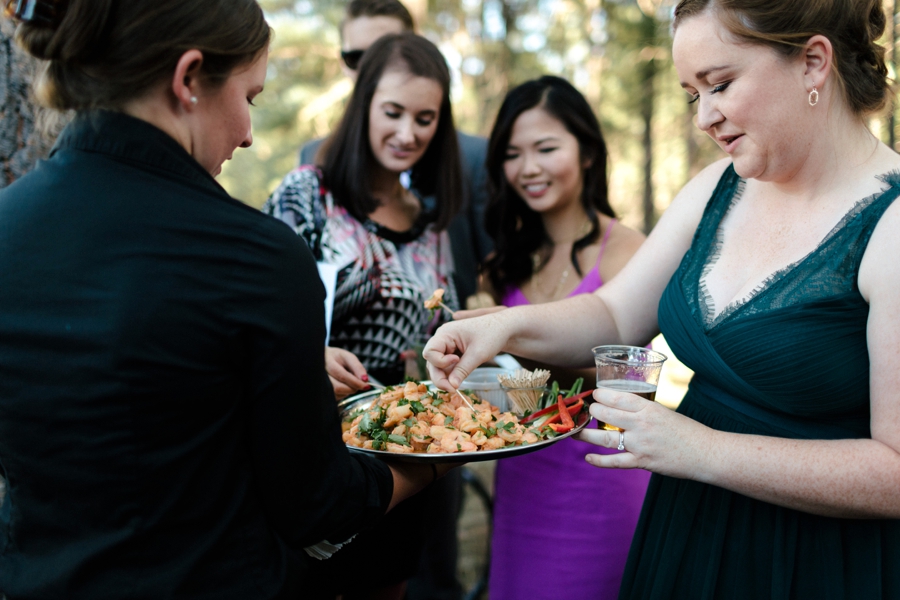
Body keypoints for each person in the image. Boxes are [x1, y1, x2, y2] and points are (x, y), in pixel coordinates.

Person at [425, 0, 900, 598]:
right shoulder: (715, 190)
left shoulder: (891, 226)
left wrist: (699, 449)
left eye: (720, 84)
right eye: (690, 94)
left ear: (812, 62)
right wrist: (507, 327)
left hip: (814, 563)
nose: (703, 117)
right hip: (685, 535)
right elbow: (614, 314)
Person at [0, 2, 448, 598]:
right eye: (250, 97)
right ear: (188, 79)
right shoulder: (255, 258)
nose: (249, 133)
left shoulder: (8, 229)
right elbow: (317, 505)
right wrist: (441, 446)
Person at [264, 32, 463, 600]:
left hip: (402, 464)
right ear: (364, 106)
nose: (408, 133)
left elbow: (436, 328)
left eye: (425, 118)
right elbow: (256, 321)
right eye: (393, 112)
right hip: (314, 458)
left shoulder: (431, 223)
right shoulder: (308, 195)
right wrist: (306, 353)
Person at [472, 75, 648, 600]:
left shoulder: (628, 254)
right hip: (523, 482)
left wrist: (514, 341)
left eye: (546, 148)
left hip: (601, 480)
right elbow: (500, 396)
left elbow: (632, 394)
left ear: (588, 152)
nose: (528, 168)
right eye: (512, 153)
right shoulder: (499, 266)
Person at [300, 0, 492, 306]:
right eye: (356, 57)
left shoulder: (439, 208)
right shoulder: (310, 175)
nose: (406, 134)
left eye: (383, 50)